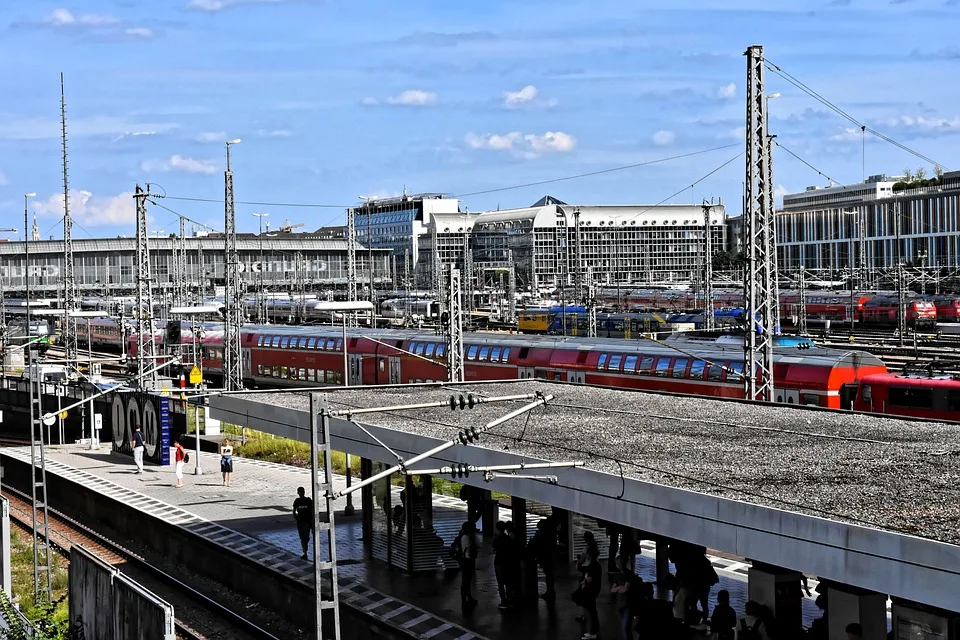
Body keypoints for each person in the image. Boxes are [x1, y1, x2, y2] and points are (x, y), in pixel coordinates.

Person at [610, 555, 640, 640]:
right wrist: (620, 587)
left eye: (619, 562)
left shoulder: (629, 574)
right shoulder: (619, 575)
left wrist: (618, 588)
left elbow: (625, 589)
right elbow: (612, 589)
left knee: (625, 627)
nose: (618, 564)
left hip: (628, 605)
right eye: (617, 562)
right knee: (625, 627)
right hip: (621, 604)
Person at [578, 546, 602, 640]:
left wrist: (584, 582)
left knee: (591, 612)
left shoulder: (594, 565)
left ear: (590, 554)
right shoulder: (594, 564)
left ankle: (593, 632)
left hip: (591, 590)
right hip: (593, 590)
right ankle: (593, 631)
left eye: (586, 553)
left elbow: (590, 578)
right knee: (592, 611)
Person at [455, 521, 479, 609]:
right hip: (467, 561)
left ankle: (467, 598)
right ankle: (465, 599)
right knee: (466, 580)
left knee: (466, 580)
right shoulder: (466, 538)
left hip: (465, 561)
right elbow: (470, 549)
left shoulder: (465, 537)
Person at [493, 521, 512, 609]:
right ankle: (509, 599)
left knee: (500, 582)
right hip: (508, 561)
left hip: (499, 561)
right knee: (508, 581)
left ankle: (503, 599)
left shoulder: (497, 539)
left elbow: (494, 549)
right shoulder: (508, 538)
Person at [292, 487, 314, 560]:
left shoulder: (308, 500)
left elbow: (312, 510)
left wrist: (313, 520)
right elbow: (294, 510)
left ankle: (306, 551)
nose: (301, 493)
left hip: (307, 521)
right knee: (303, 538)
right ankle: (305, 552)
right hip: (301, 522)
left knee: (306, 538)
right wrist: (295, 517)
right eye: (300, 492)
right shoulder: (297, 501)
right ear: (298, 493)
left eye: (302, 492)